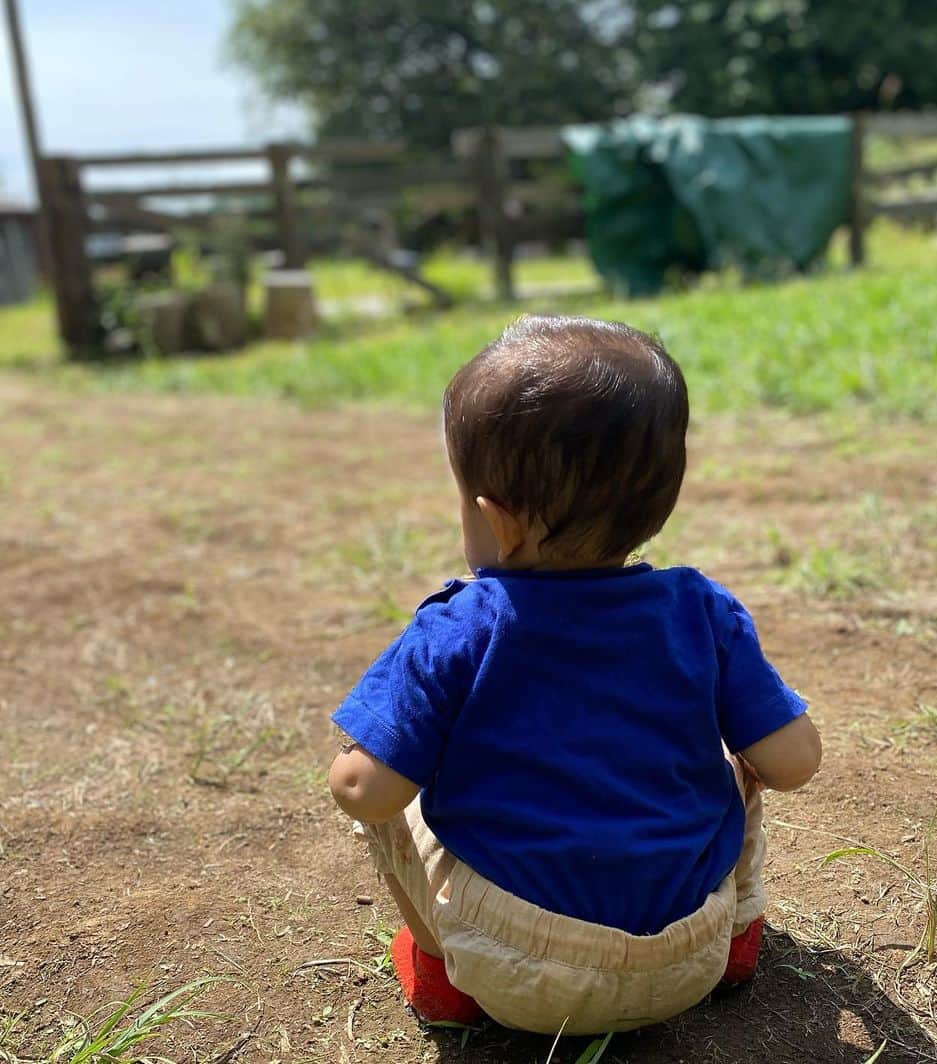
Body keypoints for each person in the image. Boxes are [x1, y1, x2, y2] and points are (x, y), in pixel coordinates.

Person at [328, 315, 822, 1035]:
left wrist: (351, 766)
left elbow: (366, 794)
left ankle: (444, 978)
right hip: (690, 958)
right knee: (741, 757)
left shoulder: (462, 626)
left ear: (499, 522)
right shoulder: (699, 610)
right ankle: (742, 938)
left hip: (514, 973)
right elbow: (794, 762)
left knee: (388, 778)